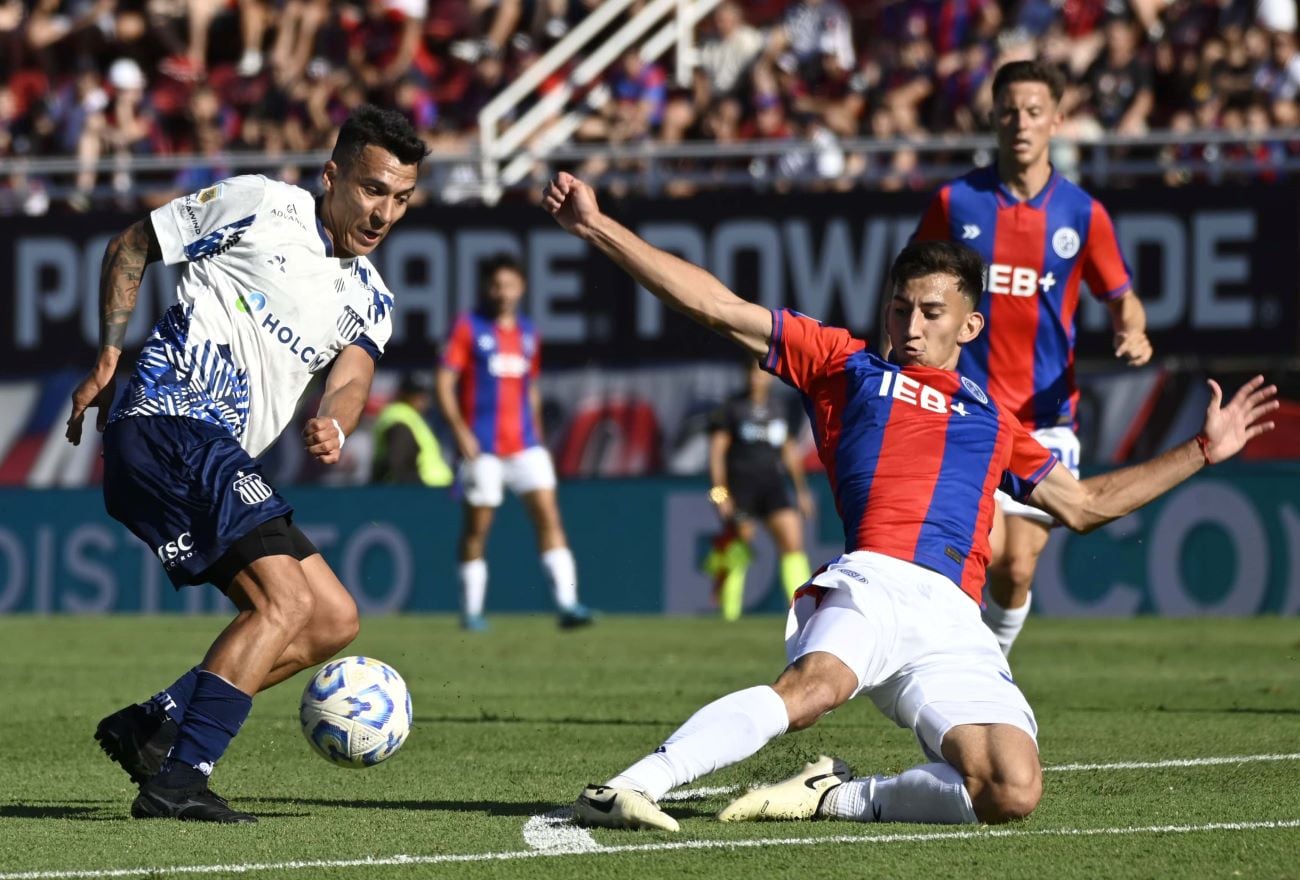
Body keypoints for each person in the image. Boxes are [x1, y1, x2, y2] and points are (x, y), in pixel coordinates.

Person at [539, 171, 1275, 832]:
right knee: (813, 690)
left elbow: (1082, 505)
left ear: (969, 325)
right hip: (877, 582)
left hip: (955, 618)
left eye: (929, 312)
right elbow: (715, 305)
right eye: (900, 310)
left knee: (1011, 790)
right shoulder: (842, 364)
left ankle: (835, 796)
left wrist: (1202, 451)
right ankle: (631, 786)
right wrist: (599, 226)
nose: (911, 327)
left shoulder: (997, 422)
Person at [64, 105, 428, 823]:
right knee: (282, 602)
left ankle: (153, 721)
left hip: (212, 449)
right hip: (169, 424)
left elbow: (352, 378)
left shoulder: (372, 296)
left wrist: (337, 422)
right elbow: (133, 245)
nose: (384, 211)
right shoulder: (261, 205)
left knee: (330, 620)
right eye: (371, 189)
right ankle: (179, 781)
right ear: (332, 176)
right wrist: (109, 352)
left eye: (402, 198)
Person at [911, 59, 1154, 656]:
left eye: (1034, 111)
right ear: (992, 118)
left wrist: (1133, 331)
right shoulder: (956, 203)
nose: (1021, 122)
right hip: (967, 409)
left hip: (1046, 420)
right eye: (1009, 110)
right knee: (976, 551)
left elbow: (1122, 298)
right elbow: (910, 284)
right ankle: (964, 684)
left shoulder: (1082, 214)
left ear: (1057, 120)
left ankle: (989, 666)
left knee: (1016, 569)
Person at [435, 253, 594, 632]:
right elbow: (444, 383)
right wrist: (459, 431)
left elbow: (530, 389)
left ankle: (568, 605)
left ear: (521, 288)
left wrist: (537, 434)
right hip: (483, 448)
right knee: (478, 529)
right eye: (496, 285)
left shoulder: (527, 332)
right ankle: (471, 612)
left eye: (509, 285)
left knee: (549, 518)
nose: (502, 292)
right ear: (486, 288)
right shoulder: (468, 327)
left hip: (525, 445)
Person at [703, 358, 813, 621]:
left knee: (793, 541)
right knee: (740, 545)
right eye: (752, 372)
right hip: (741, 489)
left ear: (771, 377)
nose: (757, 378)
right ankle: (730, 615)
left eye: (762, 373)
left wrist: (802, 491)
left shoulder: (778, 407)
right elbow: (716, 454)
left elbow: (788, 451)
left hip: (772, 485)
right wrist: (720, 495)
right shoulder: (732, 408)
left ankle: (803, 612)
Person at [371, 370, 454, 487]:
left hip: (433, 489)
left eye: (423, 394)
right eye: (415, 394)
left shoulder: (412, 416)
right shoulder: (399, 416)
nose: (421, 399)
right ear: (403, 394)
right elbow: (398, 461)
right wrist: (413, 486)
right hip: (422, 491)